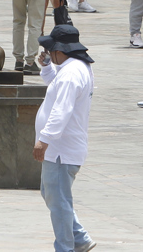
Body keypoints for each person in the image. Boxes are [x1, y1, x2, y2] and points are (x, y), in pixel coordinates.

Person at [34, 24, 96, 252]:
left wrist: (45, 139)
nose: (49, 53)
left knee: (59, 200)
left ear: (61, 50)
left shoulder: (71, 73)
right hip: (63, 148)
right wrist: (47, 67)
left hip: (61, 148)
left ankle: (66, 247)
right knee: (52, 194)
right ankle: (79, 238)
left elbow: (62, 108)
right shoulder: (76, 68)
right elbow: (56, 87)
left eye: (51, 50)